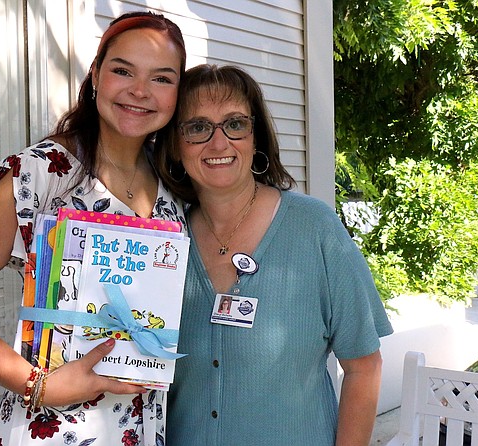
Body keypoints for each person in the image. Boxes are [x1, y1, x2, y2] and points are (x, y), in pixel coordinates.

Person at [0, 11, 187, 446]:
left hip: (139, 427)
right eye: (122, 70)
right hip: (55, 430)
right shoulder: (44, 172)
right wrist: (41, 385)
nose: (140, 90)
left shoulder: (172, 185)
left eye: (162, 78)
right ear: (95, 75)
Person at [155, 64, 393, 445]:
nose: (219, 144)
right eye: (198, 127)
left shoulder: (314, 227)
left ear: (256, 137)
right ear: (174, 145)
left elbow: (364, 367)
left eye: (235, 124)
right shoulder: (164, 239)